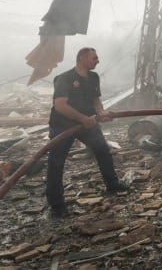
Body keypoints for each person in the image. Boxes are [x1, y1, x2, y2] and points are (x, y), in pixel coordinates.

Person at [45, 47, 128, 219]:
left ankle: (113, 185)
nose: (98, 60)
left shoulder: (93, 77)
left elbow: (95, 100)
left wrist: (102, 113)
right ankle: (56, 204)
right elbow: (60, 105)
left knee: (102, 150)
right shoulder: (65, 78)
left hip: (87, 123)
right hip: (63, 126)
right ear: (82, 58)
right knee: (56, 162)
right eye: (94, 57)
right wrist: (83, 118)